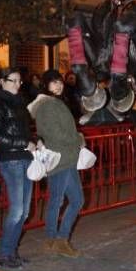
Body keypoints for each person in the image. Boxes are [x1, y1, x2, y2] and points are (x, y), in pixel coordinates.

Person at [28, 70, 85, 257]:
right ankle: (56, 239)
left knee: (70, 200)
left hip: (66, 158)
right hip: (61, 158)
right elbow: (55, 134)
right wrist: (77, 139)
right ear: (46, 85)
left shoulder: (54, 102)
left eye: (59, 82)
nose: (58, 85)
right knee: (62, 200)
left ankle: (55, 239)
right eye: (53, 83)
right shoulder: (48, 105)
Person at [0, 67, 35, 269]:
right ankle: (5, 254)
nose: (17, 84)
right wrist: (23, 142)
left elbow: (26, 130)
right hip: (11, 160)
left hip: (25, 158)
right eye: (13, 80)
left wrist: (35, 141)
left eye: (19, 81)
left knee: (24, 212)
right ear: (2, 81)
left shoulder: (20, 103)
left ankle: (12, 251)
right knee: (16, 210)